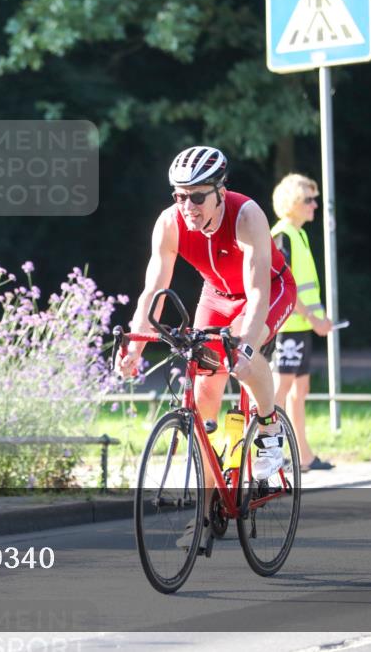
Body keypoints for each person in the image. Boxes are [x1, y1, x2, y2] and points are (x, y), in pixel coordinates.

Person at [119, 145, 296, 550]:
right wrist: (135, 343)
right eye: (180, 195)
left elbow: (256, 292)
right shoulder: (169, 224)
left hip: (267, 293)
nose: (188, 205)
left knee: (244, 364)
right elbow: (153, 290)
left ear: (220, 190)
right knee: (203, 396)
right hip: (215, 296)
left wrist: (246, 347)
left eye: (197, 196)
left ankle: (269, 429)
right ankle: (207, 510)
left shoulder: (247, 215)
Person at [270, 174, 334, 472]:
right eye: (309, 199)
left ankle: (303, 456)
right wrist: (313, 318)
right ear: (293, 203)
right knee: (279, 390)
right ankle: (270, 453)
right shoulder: (282, 234)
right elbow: (283, 284)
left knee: (300, 390)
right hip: (287, 328)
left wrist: (316, 319)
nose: (315, 205)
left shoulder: (300, 234)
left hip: (301, 327)